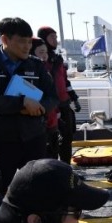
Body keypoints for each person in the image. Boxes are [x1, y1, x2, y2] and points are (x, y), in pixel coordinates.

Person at [0, 17, 58, 190]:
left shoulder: (36, 65)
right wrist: (22, 103)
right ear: (5, 39)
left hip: (34, 137)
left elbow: (52, 98)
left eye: (28, 41)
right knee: (3, 187)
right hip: (1, 140)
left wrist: (39, 108)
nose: (27, 46)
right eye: (21, 42)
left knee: (38, 186)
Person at [38, 26, 81, 164]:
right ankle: (54, 170)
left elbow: (64, 81)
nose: (55, 40)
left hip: (64, 104)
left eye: (56, 37)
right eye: (52, 37)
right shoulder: (40, 62)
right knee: (53, 142)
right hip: (51, 108)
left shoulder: (58, 59)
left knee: (67, 137)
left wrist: (74, 98)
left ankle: (66, 168)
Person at [31, 37, 62, 159]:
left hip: (52, 119)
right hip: (40, 122)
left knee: (54, 151)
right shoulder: (32, 71)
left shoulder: (48, 69)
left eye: (46, 52)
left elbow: (53, 95)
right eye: (41, 52)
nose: (44, 56)